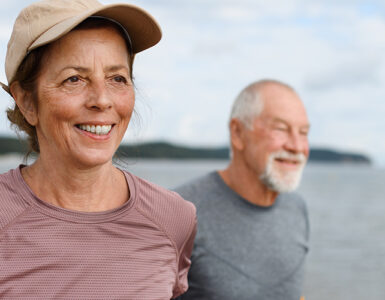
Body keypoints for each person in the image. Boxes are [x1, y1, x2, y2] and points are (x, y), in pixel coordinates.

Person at [0, 0, 196, 299]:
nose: (102, 100)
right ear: (27, 102)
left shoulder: (174, 217)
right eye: (74, 79)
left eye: (117, 78)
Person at [175, 79, 310, 300]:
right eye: (281, 129)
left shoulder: (297, 208)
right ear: (237, 133)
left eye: (303, 132)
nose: (297, 146)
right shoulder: (179, 211)